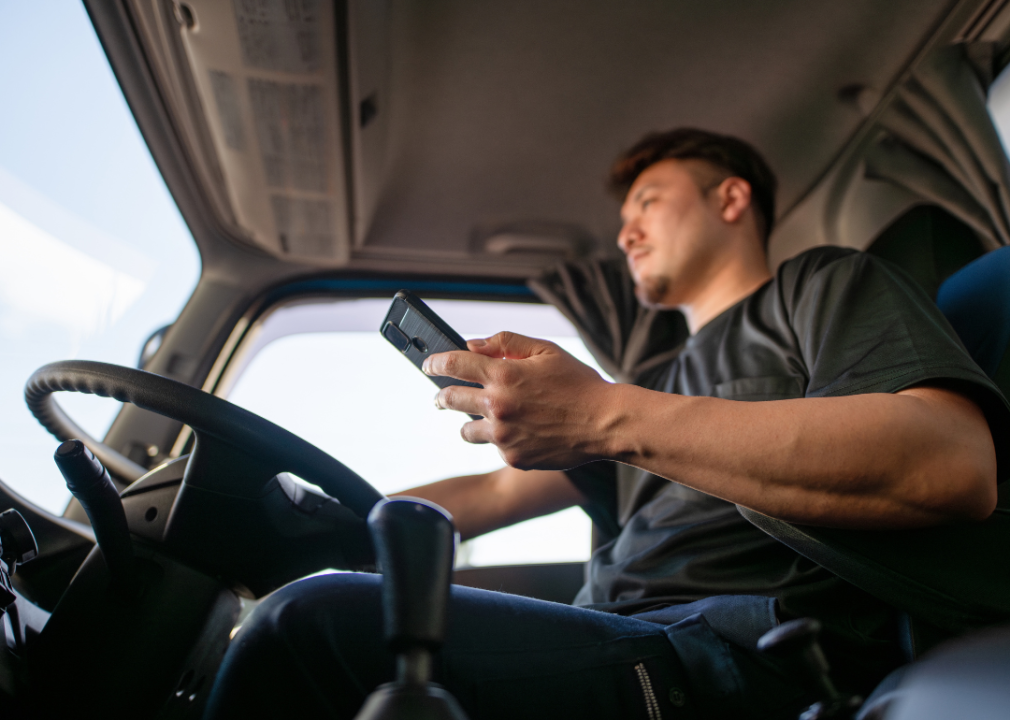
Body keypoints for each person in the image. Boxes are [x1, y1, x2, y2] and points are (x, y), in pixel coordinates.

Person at [206, 129, 1007, 720]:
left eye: (650, 202)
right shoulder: (651, 385)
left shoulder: (819, 288)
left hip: (736, 660)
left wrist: (604, 413)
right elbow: (489, 493)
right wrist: (321, 517)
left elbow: (950, 462)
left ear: (730, 198)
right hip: (608, 634)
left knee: (307, 633)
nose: (624, 232)